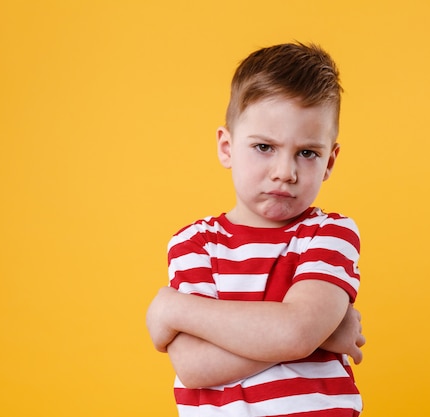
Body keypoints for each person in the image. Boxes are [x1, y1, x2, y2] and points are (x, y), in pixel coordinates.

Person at [146, 42, 365, 417]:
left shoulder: (330, 233)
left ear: (329, 161)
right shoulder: (194, 244)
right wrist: (322, 335)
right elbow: (195, 366)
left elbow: (297, 333)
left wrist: (174, 309)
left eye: (307, 153)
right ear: (227, 148)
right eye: (265, 147)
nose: (285, 171)